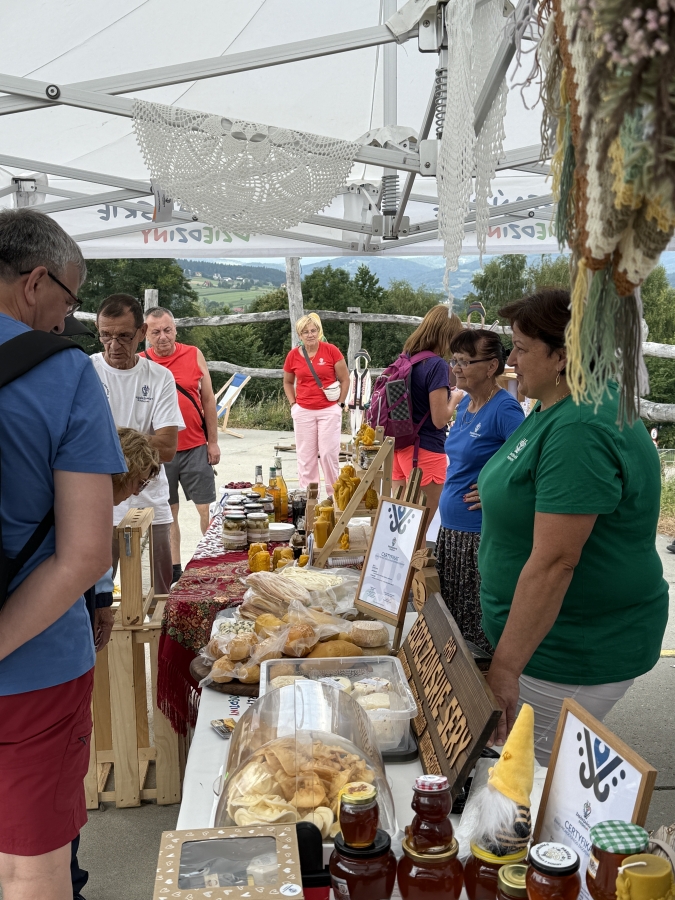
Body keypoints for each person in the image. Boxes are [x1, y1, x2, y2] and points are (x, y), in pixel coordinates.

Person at [477, 288, 669, 764]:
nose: (511, 361)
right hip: (548, 643)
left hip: (570, 648)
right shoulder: (557, 406)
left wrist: (505, 667)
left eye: (521, 348)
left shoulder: (581, 426)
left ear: (562, 356)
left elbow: (556, 561)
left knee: (521, 782)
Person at [0, 209, 125, 900]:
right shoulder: (62, 372)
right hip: (33, 666)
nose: (64, 321)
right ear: (35, 282)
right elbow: (84, 554)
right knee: (29, 866)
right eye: (68, 302)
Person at [71, 428, 160, 900]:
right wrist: (102, 603)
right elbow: (92, 556)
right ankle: (66, 882)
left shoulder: (86, 491)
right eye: (139, 480)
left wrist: (103, 599)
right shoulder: (90, 498)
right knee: (60, 769)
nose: (139, 490)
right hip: (60, 646)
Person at [436, 329, 524, 650]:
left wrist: (495, 492)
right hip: (452, 534)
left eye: (464, 362)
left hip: (478, 537)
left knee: (476, 636)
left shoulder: (504, 409)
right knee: (452, 631)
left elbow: (529, 463)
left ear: (491, 367)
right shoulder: (465, 405)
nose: (456, 369)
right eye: (454, 361)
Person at [91, 295, 184, 595]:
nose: (113, 345)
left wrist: (108, 435)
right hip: (100, 502)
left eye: (124, 336)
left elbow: (167, 448)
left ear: (142, 333)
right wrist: (141, 441)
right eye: (105, 335)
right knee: (98, 597)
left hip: (151, 499)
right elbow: (71, 442)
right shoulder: (86, 371)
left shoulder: (159, 377)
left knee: (160, 595)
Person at [143, 307, 221, 584]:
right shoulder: (141, 362)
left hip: (195, 445)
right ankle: (175, 569)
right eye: (155, 332)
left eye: (167, 330)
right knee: (169, 513)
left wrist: (213, 442)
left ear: (175, 329)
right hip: (160, 451)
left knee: (205, 509)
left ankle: (212, 562)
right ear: (146, 334)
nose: (162, 337)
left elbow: (208, 399)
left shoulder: (193, 354)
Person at [391, 305, 463, 522]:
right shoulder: (436, 365)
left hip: (400, 449)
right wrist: (455, 398)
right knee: (419, 528)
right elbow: (439, 419)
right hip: (425, 453)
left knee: (401, 527)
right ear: (446, 335)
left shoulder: (406, 359)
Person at [283, 312, 350, 496]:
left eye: (313, 330)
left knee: (328, 454)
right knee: (306, 457)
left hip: (328, 410)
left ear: (319, 331)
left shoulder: (331, 351)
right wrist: (293, 404)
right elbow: (287, 382)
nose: (310, 334)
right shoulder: (293, 355)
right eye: (306, 332)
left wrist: (339, 404)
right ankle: (309, 499)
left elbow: (345, 379)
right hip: (303, 410)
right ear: (300, 335)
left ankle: (334, 496)